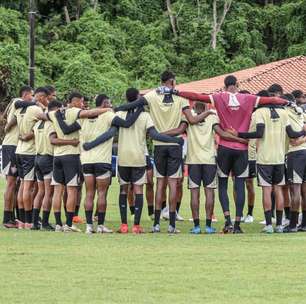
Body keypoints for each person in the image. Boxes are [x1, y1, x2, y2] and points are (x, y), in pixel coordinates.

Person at [172, 76, 287, 233]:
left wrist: (176, 91)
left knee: (223, 185)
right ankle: (238, 224)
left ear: (225, 86)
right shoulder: (249, 98)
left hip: (224, 148)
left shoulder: (219, 97)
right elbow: (271, 100)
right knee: (240, 185)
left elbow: (197, 97)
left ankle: (227, 221)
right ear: (237, 84)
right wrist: (287, 102)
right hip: (241, 149)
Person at [115, 71, 213, 233]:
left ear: (161, 81)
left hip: (159, 145)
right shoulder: (180, 97)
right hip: (174, 146)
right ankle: (172, 225)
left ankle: (156, 224)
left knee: (160, 184)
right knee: (173, 185)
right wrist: (208, 112)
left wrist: (117, 108)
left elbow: (133, 105)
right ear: (172, 82)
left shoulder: (152, 95)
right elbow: (192, 120)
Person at [84, 89, 185, 234]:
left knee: (123, 190)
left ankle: (124, 225)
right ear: (138, 98)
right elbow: (154, 135)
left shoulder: (118, 114)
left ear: (126, 98)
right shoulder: (145, 115)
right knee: (138, 190)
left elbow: (111, 133)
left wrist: (90, 145)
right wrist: (174, 139)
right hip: (138, 158)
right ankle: (136, 226)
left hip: (123, 158)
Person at [163, 101, 247, 234]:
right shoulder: (212, 118)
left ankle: (196, 226)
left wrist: (160, 134)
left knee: (194, 193)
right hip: (209, 160)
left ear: (193, 108)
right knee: (209, 192)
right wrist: (241, 140)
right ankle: (208, 226)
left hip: (193, 160)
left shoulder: (188, 119)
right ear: (207, 107)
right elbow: (223, 134)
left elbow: (178, 131)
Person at [232, 104, 306, 233]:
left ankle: (268, 225)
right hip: (279, 157)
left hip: (265, 158)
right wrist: (303, 132)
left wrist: (238, 134)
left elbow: (258, 132)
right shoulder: (284, 113)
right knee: (278, 190)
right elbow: (292, 133)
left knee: (267, 190)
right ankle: (279, 225)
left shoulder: (260, 112)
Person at [78, 93, 142, 234]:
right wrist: (139, 109)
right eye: (109, 103)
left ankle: (89, 226)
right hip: (102, 161)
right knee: (102, 194)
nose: (111, 106)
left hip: (86, 161)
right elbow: (127, 123)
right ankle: (100, 225)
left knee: (89, 193)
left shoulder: (83, 117)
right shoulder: (108, 115)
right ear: (104, 104)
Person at [48, 92, 112, 232]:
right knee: (72, 191)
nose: (83, 105)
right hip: (71, 156)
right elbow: (90, 114)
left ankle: (58, 224)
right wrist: (107, 109)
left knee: (58, 191)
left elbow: (42, 116)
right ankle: (69, 224)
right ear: (75, 102)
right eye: (81, 102)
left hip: (57, 156)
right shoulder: (75, 112)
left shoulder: (55, 113)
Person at [12, 87, 50, 229]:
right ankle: (28, 221)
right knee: (27, 187)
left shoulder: (19, 109)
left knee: (22, 186)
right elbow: (49, 119)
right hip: (29, 152)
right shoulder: (34, 109)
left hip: (19, 150)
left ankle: (22, 221)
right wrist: (43, 106)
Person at [31, 100, 69, 230]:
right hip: (48, 159)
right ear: (55, 110)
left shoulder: (37, 124)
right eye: (60, 109)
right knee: (49, 193)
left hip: (37, 158)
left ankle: (35, 222)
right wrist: (71, 142)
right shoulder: (52, 124)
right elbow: (53, 140)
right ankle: (45, 223)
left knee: (40, 191)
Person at [2, 86, 33, 228]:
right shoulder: (17, 101)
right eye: (31, 95)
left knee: (17, 184)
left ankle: (14, 218)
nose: (32, 98)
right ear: (25, 94)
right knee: (11, 183)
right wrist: (39, 103)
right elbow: (12, 120)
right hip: (11, 146)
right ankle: (7, 218)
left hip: (17, 147)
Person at [283, 100, 306, 232]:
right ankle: (304, 224)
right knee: (304, 189)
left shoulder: (285, 114)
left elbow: (293, 140)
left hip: (295, 155)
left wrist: (299, 140)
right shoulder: (301, 112)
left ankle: (292, 224)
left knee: (295, 190)